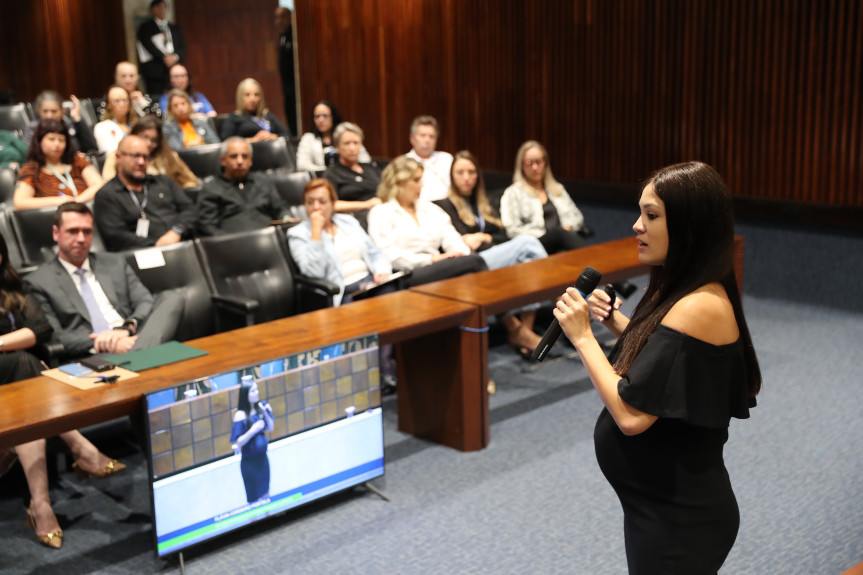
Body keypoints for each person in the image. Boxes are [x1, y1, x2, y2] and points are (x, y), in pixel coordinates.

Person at [553, 161, 761, 573]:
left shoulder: (700, 303)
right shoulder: (688, 288)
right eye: (640, 213)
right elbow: (669, 358)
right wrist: (616, 323)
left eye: (651, 215)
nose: (636, 225)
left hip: (680, 519)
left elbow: (631, 415)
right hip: (659, 508)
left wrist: (581, 337)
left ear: (688, 226)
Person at [0, 231, 127, 550]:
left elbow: (41, 329)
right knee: (29, 365)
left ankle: (41, 505)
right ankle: (81, 448)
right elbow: (29, 337)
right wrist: (17, 344)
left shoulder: (12, 289)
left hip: (17, 383)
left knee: (27, 369)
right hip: (19, 375)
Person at [24, 202, 182, 359]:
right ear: (56, 233)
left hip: (132, 336)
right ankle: (144, 354)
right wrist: (105, 342)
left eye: (87, 231)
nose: (81, 238)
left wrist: (127, 328)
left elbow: (144, 300)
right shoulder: (38, 281)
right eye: (73, 231)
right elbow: (55, 335)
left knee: (171, 298)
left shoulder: (114, 262)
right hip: (94, 352)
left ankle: (138, 353)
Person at [436, 150, 548, 358]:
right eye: (460, 172)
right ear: (452, 176)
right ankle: (563, 295)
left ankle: (525, 330)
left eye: (471, 172)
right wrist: (481, 239)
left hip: (494, 254)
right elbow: (457, 242)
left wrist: (484, 238)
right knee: (527, 243)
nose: (466, 177)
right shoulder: (444, 206)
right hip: (473, 262)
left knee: (528, 261)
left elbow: (502, 235)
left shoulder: (484, 203)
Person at [287, 178, 397, 388]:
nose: (316, 207)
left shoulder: (349, 222)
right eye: (310, 202)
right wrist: (316, 233)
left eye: (322, 201)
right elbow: (313, 272)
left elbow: (374, 252)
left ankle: (383, 364)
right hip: (342, 290)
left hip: (371, 282)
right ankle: (372, 373)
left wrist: (382, 271)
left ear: (333, 203)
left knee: (391, 294)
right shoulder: (298, 233)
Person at [367, 155, 487, 287]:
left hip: (442, 265)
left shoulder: (430, 208)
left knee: (467, 272)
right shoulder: (381, 212)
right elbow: (390, 256)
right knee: (475, 262)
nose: (421, 184)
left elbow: (450, 236)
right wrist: (432, 259)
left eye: (421, 179)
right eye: (416, 180)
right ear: (399, 182)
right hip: (409, 273)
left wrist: (459, 253)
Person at [94, 135, 197, 251]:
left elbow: (190, 209)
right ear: (119, 157)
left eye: (145, 157)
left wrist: (177, 231)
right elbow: (116, 235)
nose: (141, 162)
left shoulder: (163, 181)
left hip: (184, 243)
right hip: (143, 254)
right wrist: (158, 244)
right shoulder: (107, 195)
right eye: (135, 156)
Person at [500, 140, 588, 254]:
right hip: (535, 243)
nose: (535, 167)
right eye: (529, 163)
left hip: (562, 240)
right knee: (558, 234)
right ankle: (596, 262)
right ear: (521, 165)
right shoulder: (513, 193)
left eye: (538, 161)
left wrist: (569, 228)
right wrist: (545, 235)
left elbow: (578, 217)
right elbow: (512, 230)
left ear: (545, 163)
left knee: (564, 252)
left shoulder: (557, 189)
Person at [196, 137, 291, 235]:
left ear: (250, 161)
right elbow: (207, 226)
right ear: (223, 160)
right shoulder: (211, 188)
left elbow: (280, 207)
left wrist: (286, 217)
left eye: (245, 156)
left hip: (269, 239)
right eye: (234, 156)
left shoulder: (262, 181)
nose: (240, 161)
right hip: (231, 243)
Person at [14, 119, 103, 210]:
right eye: (51, 139)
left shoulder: (77, 160)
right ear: (40, 141)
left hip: (85, 210)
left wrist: (77, 202)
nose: (57, 144)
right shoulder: (31, 169)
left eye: (61, 140)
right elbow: (20, 202)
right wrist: (60, 202)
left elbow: (99, 184)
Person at [101, 115, 199, 189]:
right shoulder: (118, 156)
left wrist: (177, 193)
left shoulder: (169, 156)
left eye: (153, 140)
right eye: (144, 137)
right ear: (134, 135)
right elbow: (108, 185)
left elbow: (191, 181)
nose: (148, 143)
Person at [323, 122, 381, 228]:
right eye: (347, 143)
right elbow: (330, 204)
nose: (352, 148)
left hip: (383, 212)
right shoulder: (332, 173)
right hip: (357, 219)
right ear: (337, 146)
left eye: (356, 143)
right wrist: (367, 204)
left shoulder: (370, 167)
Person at [231, 375, 274, 503]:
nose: (257, 393)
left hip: (263, 460)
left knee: (266, 494)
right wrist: (252, 430)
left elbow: (271, 428)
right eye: (253, 391)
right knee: (253, 498)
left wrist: (267, 412)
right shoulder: (240, 415)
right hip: (249, 463)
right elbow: (238, 442)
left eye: (257, 390)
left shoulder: (261, 408)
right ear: (246, 395)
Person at [295, 100, 371, 173]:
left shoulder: (345, 135)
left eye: (325, 116)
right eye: (317, 116)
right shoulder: (309, 138)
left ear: (333, 117)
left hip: (349, 175)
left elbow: (365, 160)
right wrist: (330, 172)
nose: (321, 120)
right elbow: (302, 165)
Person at [136, 0, 186, 96]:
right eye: (158, 7)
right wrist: (165, 57)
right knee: (158, 96)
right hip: (155, 71)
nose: (161, 10)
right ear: (152, 10)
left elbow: (182, 46)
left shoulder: (174, 28)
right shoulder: (146, 27)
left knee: (178, 95)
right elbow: (148, 45)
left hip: (173, 68)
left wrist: (175, 57)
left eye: (163, 7)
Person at [22, 91, 98, 154]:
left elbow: (92, 147)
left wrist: (77, 118)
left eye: (54, 111)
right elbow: (29, 153)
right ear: (38, 111)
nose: (49, 116)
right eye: (45, 111)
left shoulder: (70, 125)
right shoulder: (32, 128)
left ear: (63, 111)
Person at [219, 78, 291, 142]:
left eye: (256, 95)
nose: (253, 99)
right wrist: (252, 140)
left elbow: (287, 133)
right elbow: (225, 140)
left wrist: (273, 136)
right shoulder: (234, 117)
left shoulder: (266, 114)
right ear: (240, 97)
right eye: (247, 95)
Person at [405, 115, 453, 202]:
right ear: (412, 138)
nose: (427, 140)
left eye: (431, 136)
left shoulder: (446, 159)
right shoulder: (404, 162)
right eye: (423, 135)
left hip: (449, 206)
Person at [274, 7, 297, 136]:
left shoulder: (295, 35)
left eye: (282, 17)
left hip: (297, 88)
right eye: (277, 18)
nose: (279, 21)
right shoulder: (282, 36)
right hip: (287, 88)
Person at [93, 85, 136, 153]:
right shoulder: (102, 127)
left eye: (125, 100)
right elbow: (109, 153)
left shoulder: (136, 125)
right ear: (109, 105)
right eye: (116, 101)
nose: (122, 104)